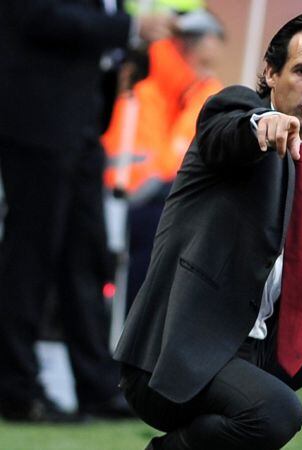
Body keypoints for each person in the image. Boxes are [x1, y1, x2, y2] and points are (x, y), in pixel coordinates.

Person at [115, 12, 302, 450]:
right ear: (271, 73)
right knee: (277, 414)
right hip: (178, 354)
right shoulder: (234, 112)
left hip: (273, 346)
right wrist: (261, 127)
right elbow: (227, 133)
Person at [0, 0, 171, 422]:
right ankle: (16, 388)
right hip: (38, 120)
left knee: (86, 257)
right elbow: (38, 16)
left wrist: (127, 53)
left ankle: (97, 387)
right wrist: (129, 27)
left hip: (84, 122)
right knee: (31, 255)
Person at [102, 9, 226, 308]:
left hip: (139, 196)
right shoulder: (157, 86)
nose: (206, 70)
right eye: (205, 59)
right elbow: (167, 162)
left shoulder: (183, 92)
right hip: (128, 197)